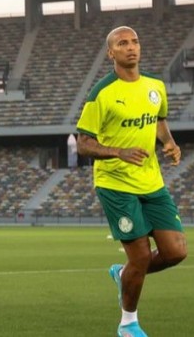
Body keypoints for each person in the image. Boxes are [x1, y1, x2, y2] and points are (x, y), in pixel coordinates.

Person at [76, 26, 187, 337]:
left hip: (152, 181)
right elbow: (83, 143)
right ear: (111, 53)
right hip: (115, 184)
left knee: (176, 251)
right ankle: (128, 324)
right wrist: (117, 152)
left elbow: (159, 120)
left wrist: (169, 143)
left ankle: (123, 274)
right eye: (122, 43)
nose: (130, 47)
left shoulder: (155, 86)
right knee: (139, 255)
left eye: (134, 41)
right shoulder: (102, 93)